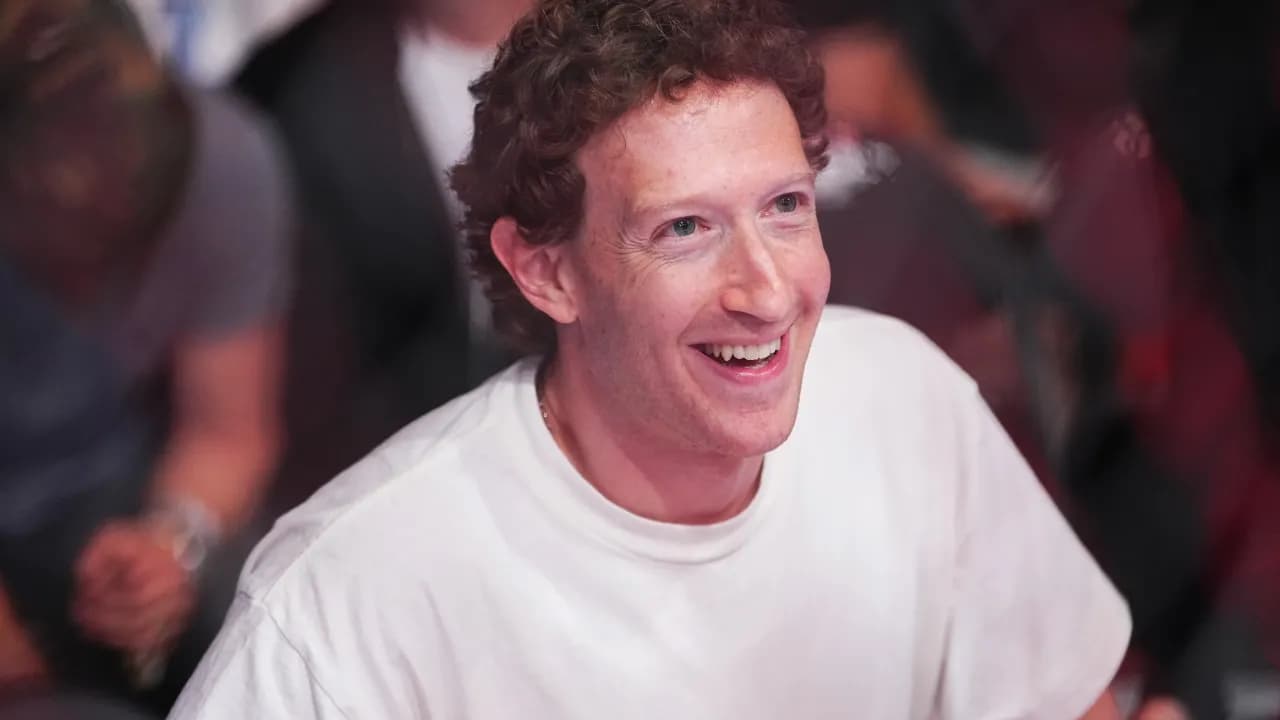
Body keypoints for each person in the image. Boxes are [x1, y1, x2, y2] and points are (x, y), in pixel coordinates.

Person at [171, 1, 1130, 717]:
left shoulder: (903, 397)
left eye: (785, 208)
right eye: (684, 229)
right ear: (547, 272)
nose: (766, 290)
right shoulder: (346, 600)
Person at [0, 0, 290, 711]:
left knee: (265, 618)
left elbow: (225, 436)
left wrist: (169, 545)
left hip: (101, 494)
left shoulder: (224, 163)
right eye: (68, 218)